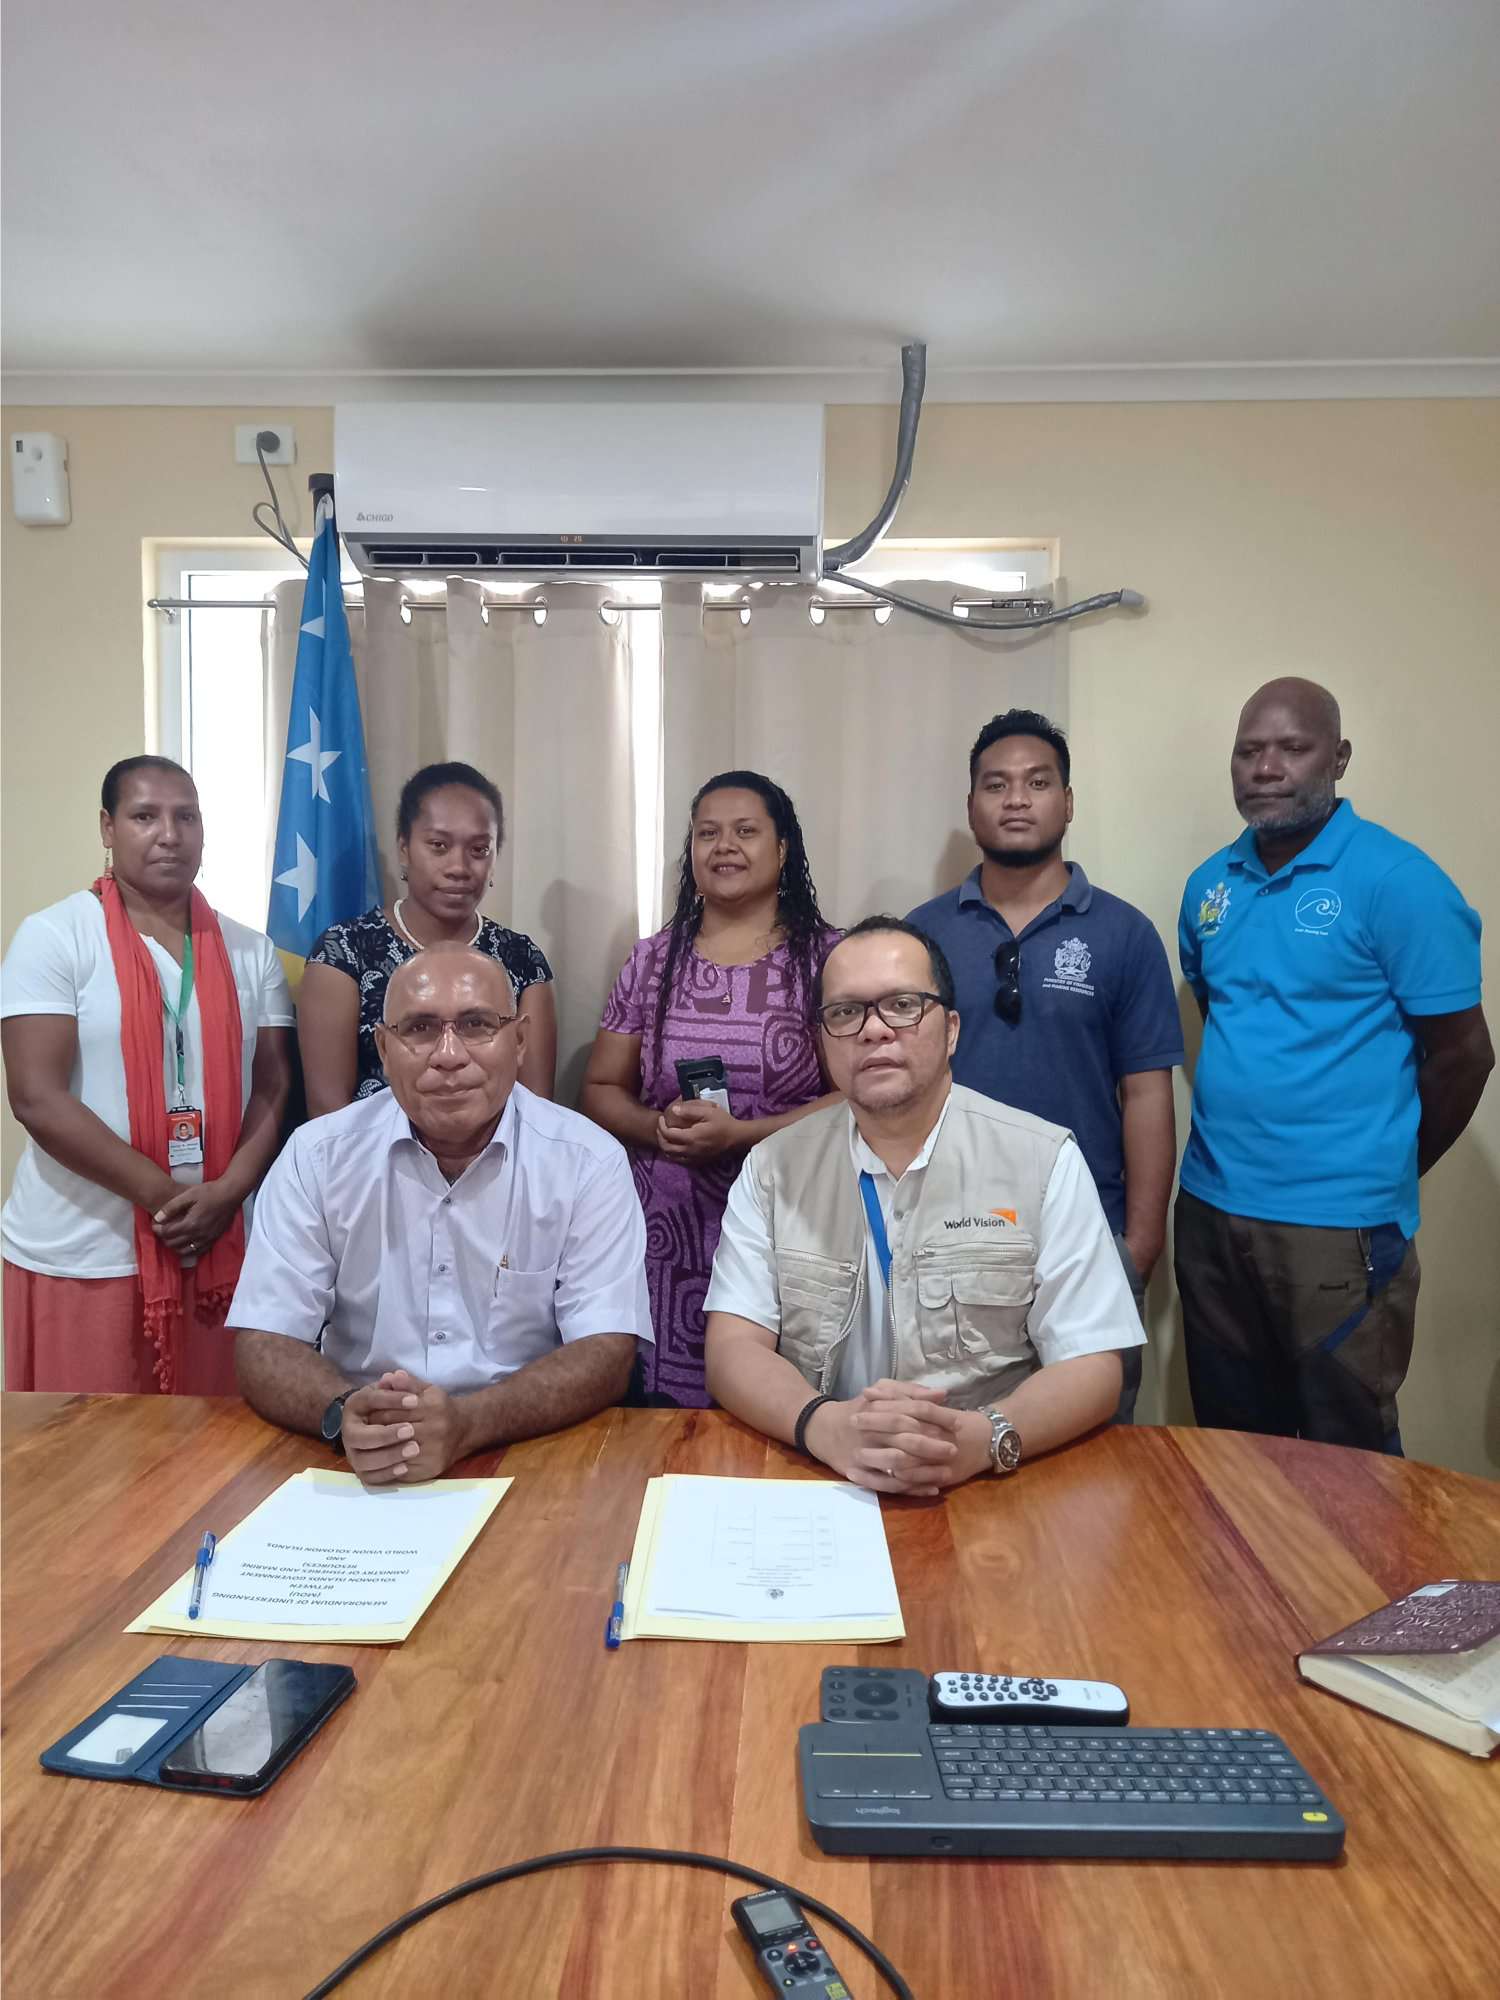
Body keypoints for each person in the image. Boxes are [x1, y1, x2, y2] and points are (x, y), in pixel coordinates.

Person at [704, 917, 1142, 1493]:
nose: (874, 1030)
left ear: (952, 1029)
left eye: (903, 1005)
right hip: (823, 1479)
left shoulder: (1042, 1159)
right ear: (822, 1042)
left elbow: (1094, 1365)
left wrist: (983, 1439)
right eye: (845, 1013)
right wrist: (823, 1426)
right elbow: (733, 1347)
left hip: (989, 1484)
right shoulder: (772, 1168)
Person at [1176, 677, 1492, 1453]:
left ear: (1339, 757)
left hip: (1339, 1227)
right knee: (1230, 1447)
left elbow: (1464, 1055)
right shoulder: (1209, 886)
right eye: (1249, 751)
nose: (1267, 767)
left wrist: (1382, 1166)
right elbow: (1229, 1011)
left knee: (1344, 1459)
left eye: (1293, 747)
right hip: (1212, 1209)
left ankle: (1358, 1587)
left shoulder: (1397, 881)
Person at [232, 944, 650, 1483]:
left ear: (519, 1040)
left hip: (534, 1449)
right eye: (420, 1029)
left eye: (477, 1025)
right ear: (383, 1048)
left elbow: (608, 1349)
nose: (449, 1056)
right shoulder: (317, 1156)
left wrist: (468, 1424)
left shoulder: (587, 1161)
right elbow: (264, 1341)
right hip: (360, 1454)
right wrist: (342, 1409)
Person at [908, 709, 1182, 1420]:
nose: (1017, 799)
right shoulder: (924, 933)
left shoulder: (1124, 934)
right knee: (953, 1438)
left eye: (1038, 782)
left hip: (1089, 1233)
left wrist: (1141, 1245)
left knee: (1090, 1455)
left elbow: (1148, 1093)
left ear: (1068, 801)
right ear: (971, 806)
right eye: (996, 785)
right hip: (950, 1234)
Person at [1, 756, 293, 1393]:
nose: (170, 833)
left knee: (211, 1470)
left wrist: (226, 1196)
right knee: (88, 1468)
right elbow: (36, 1097)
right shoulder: (54, 938)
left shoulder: (251, 949)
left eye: (185, 816)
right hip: (84, 1253)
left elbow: (272, 1085)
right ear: (107, 828)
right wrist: (169, 1200)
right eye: (145, 816)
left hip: (217, 1250)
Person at [581, 771, 840, 1407]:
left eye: (746, 832)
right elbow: (601, 1086)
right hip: (664, 1229)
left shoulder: (828, 960)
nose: (724, 846)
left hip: (791, 1219)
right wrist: (655, 1128)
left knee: (777, 1408)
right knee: (660, 1421)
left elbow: (855, 1097)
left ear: (783, 851)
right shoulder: (651, 959)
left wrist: (744, 1136)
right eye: (707, 834)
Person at [297, 761, 556, 1114]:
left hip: (499, 1164)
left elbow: (537, 1115)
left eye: (479, 850)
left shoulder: (522, 960)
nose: (459, 867)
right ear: (404, 848)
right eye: (438, 845)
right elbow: (329, 1121)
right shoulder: (343, 954)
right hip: (370, 1165)